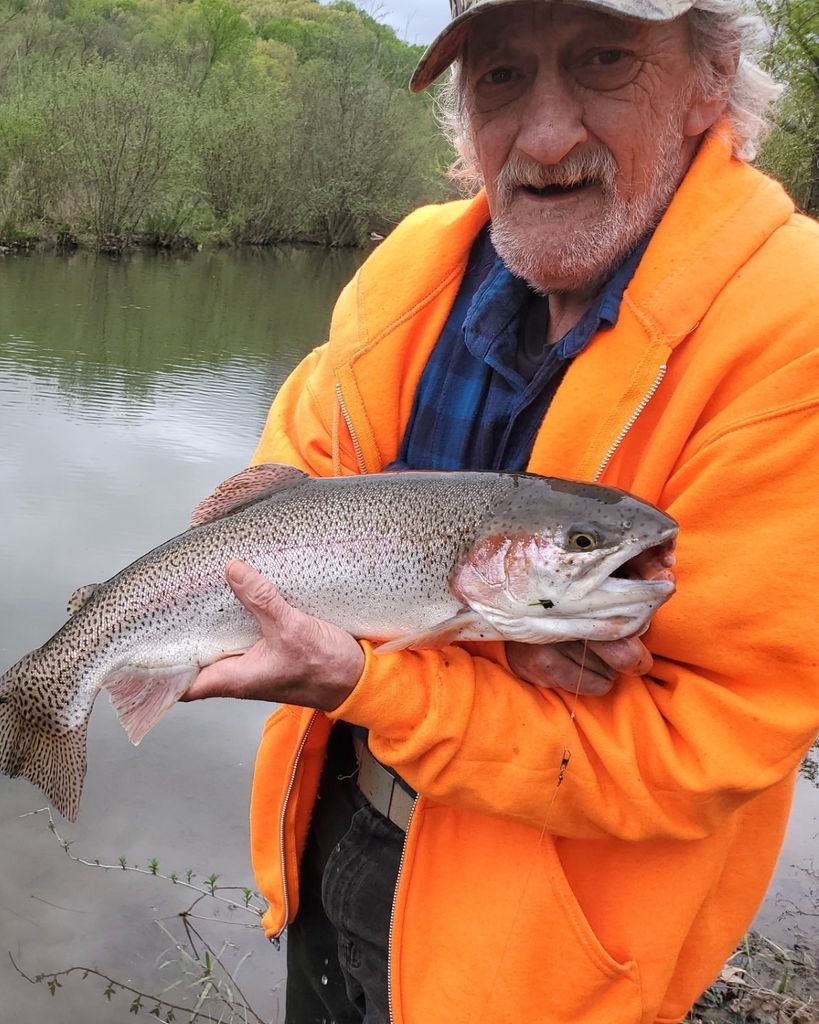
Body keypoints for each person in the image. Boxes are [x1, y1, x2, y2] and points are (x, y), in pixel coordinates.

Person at [181, 0, 819, 1021]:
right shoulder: (413, 264)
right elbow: (283, 510)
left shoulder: (796, 329)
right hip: (330, 840)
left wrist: (380, 680)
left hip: (535, 967)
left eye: (606, 59)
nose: (548, 132)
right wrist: (488, 647)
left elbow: (708, 745)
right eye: (502, 78)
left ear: (713, 74)